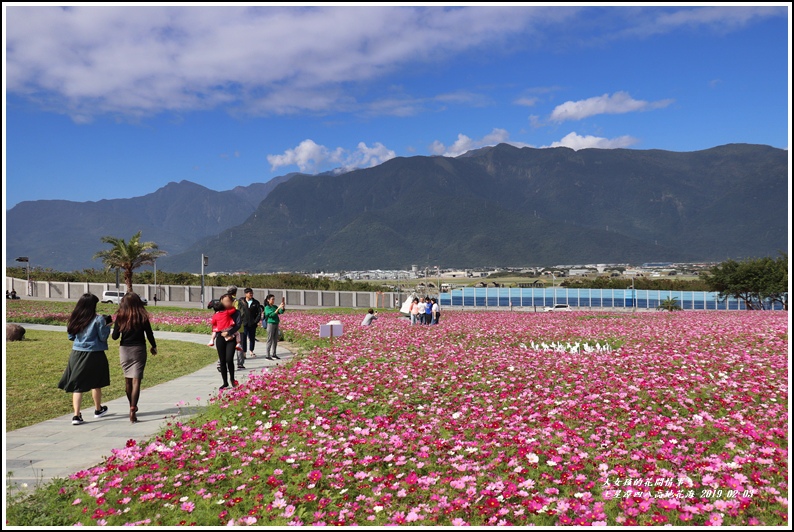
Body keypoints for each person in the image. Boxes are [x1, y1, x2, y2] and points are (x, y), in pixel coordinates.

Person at [58, 293, 111, 425]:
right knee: (96, 382)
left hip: (76, 353)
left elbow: (71, 336)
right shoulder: (98, 319)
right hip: (95, 353)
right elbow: (103, 337)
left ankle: (76, 415)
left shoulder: (75, 318)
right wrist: (108, 325)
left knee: (78, 384)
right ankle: (98, 409)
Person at [111, 293, 157, 423]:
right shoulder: (142, 316)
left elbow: (114, 337)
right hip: (139, 349)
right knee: (136, 381)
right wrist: (153, 346)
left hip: (125, 350)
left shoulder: (120, 317)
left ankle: (131, 405)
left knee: (127, 380)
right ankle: (133, 408)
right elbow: (149, 334)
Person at [213, 294, 242, 390]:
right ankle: (225, 382)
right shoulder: (218, 312)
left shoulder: (236, 312)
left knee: (229, 359)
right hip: (220, 338)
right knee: (222, 361)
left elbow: (238, 325)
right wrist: (217, 333)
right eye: (223, 301)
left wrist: (229, 332)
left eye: (227, 301)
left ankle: (232, 379)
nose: (225, 303)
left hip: (231, 337)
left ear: (232, 302)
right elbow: (215, 324)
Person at [209, 300, 243, 372]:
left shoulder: (215, 315)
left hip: (220, 330)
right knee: (237, 334)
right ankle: (238, 343)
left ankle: (212, 340)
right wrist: (233, 307)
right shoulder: (226, 312)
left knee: (214, 332)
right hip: (228, 329)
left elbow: (212, 322)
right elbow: (233, 310)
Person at [227, 285, 251, 370]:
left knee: (226, 344)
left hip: (226, 326)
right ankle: (240, 363)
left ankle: (223, 362)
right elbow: (242, 313)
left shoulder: (224, 300)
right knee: (239, 344)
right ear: (235, 292)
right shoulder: (238, 302)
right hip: (238, 327)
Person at [240, 288, 263, 360]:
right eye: (249, 293)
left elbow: (259, 313)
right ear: (245, 294)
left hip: (252, 323)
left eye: (252, 293)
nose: (251, 294)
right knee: (243, 338)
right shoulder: (241, 301)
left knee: (252, 338)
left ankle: (251, 351)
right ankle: (244, 352)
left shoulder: (256, 302)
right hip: (244, 323)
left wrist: (256, 321)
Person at [262, 294, 285, 360]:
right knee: (269, 339)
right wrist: (278, 308)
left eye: (274, 299)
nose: (273, 300)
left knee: (275, 339)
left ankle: (274, 354)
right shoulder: (267, 307)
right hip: (270, 323)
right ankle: (267, 355)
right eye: (272, 299)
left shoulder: (274, 306)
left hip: (276, 323)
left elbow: (280, 312)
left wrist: (282, 307)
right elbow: (271, 315)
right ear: (268, 300)